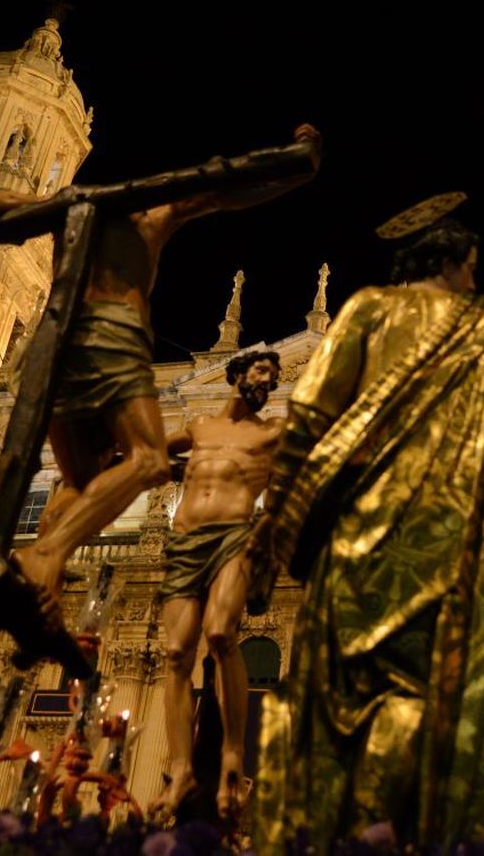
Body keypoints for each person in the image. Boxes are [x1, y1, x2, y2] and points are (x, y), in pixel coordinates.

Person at [0, 125, 319, 631]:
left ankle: (43, 586)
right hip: (112, 336)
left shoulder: (65, 207)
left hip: (51, 352)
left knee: (84, 481)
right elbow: (233, 188)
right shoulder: (153, 212)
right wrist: (299, 164)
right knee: (147, 462)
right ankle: (47, 554)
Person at [244, 197, 484, 850]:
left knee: (343, 699)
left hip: (360, 542)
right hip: (451, 549)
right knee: (439, 699)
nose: (475, 281)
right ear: (450, 261)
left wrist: (275, 523)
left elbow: (308, 419)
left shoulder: (368, 309)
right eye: (472, 266)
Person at [150, 349, 284, 824]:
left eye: (272, 378)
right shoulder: (200, 426)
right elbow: (148, 454)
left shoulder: (271, 432)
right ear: (238, 374)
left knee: (224, 633)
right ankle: (180, 766)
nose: (266, 383)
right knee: (176, 654)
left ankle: (232, 755)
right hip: (185, 541)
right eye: (261, 372)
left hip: (234, 536)